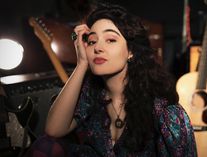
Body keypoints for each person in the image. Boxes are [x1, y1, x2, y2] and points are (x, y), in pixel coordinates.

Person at [24, 3, 197, 157]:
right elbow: (53, 130)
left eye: (110, 40)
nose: (98, 47)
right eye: (92, 41)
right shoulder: (91, 96)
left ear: (131, 51)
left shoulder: (165, 112)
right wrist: (81, 64)